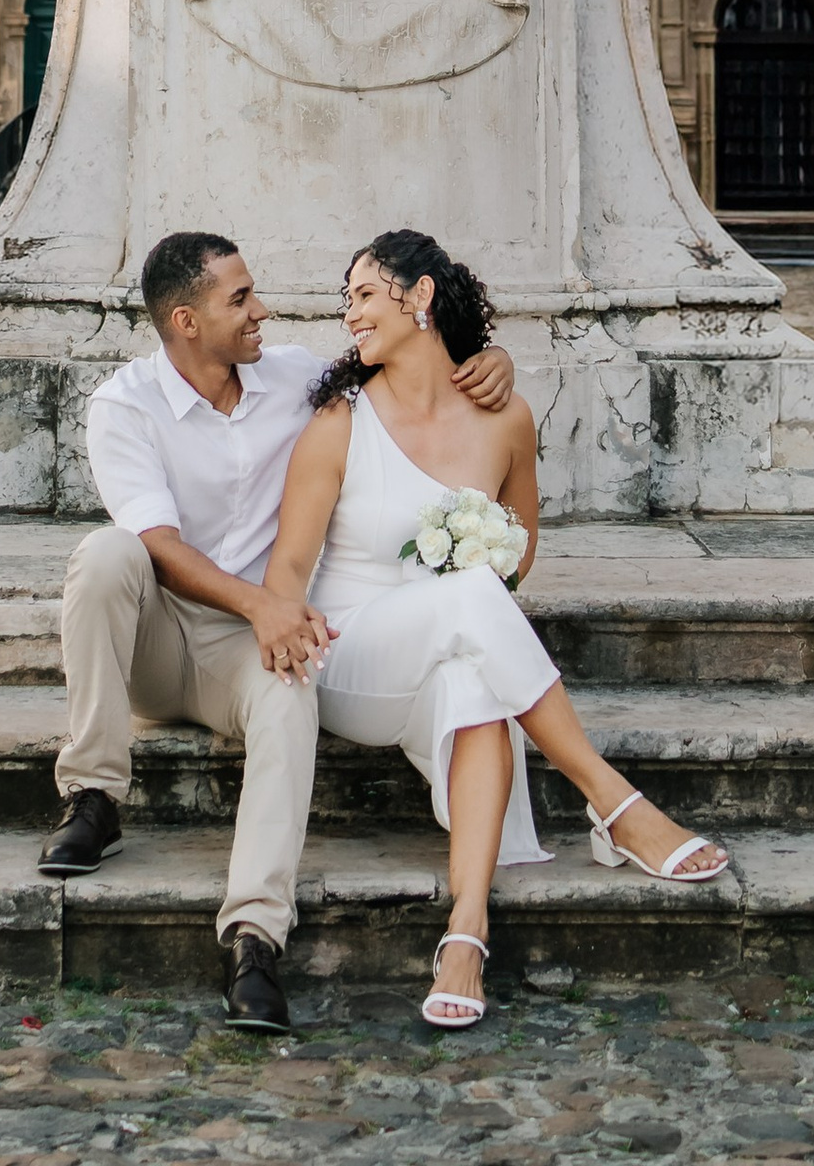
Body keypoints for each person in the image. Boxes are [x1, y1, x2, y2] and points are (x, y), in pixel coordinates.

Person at [40, 228, 515, 1031]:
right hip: (154, 638)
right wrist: (264, 603)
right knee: (107, 552)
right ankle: (93, 795)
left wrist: (490, 358)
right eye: (241, 298)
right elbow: (159, 546)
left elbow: (407, 350)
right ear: (187, 321)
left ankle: (255, 937)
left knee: (295, 688)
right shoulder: (125, 404)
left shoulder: (295, 377)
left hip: (241, 649)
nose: (262, 309)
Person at [261, 227, 729, 1033]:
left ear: (420, 295)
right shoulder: (340, 422)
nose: (351, 315)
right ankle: (613, 801)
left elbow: (517, 557)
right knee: (473, 599)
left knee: (476, 680)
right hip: (352, 656)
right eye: (348, 301)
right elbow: (287, 573)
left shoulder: (506, 416)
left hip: (448, 645)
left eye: (365, 294)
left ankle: (466, 930)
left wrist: (471, 565)